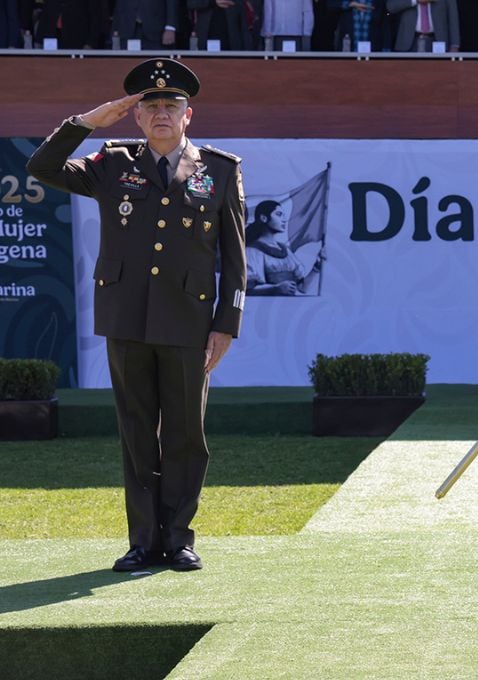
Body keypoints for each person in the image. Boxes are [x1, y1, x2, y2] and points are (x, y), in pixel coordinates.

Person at [27, 58, 247, 572]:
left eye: (172, 106)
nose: (162, 114)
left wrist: (226, 324)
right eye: (151, 107)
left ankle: (179, 538)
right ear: (137, 118)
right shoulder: (111, 164)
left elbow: (236, 261)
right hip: (126, 319)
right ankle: (144, 541)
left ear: (188, 116)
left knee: (186, 435)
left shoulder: (219, 170)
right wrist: (86, 123)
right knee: (136, 431)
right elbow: (41, 168)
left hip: (189, 324)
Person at [245, 199, 323, 295]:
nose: (284, 219)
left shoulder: (285, 250)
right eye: (278, 214)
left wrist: (317, 267)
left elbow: (302, 288)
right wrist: (275, 288)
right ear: (264, 218)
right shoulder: (252, 251)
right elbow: (247, 290)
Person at [387, 0, 460, 51]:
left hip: (438, 42)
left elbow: (453, 17)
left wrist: (454, 45)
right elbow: (391, 6)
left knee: (438, 72)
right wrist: (415, 0)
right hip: (409, 43)